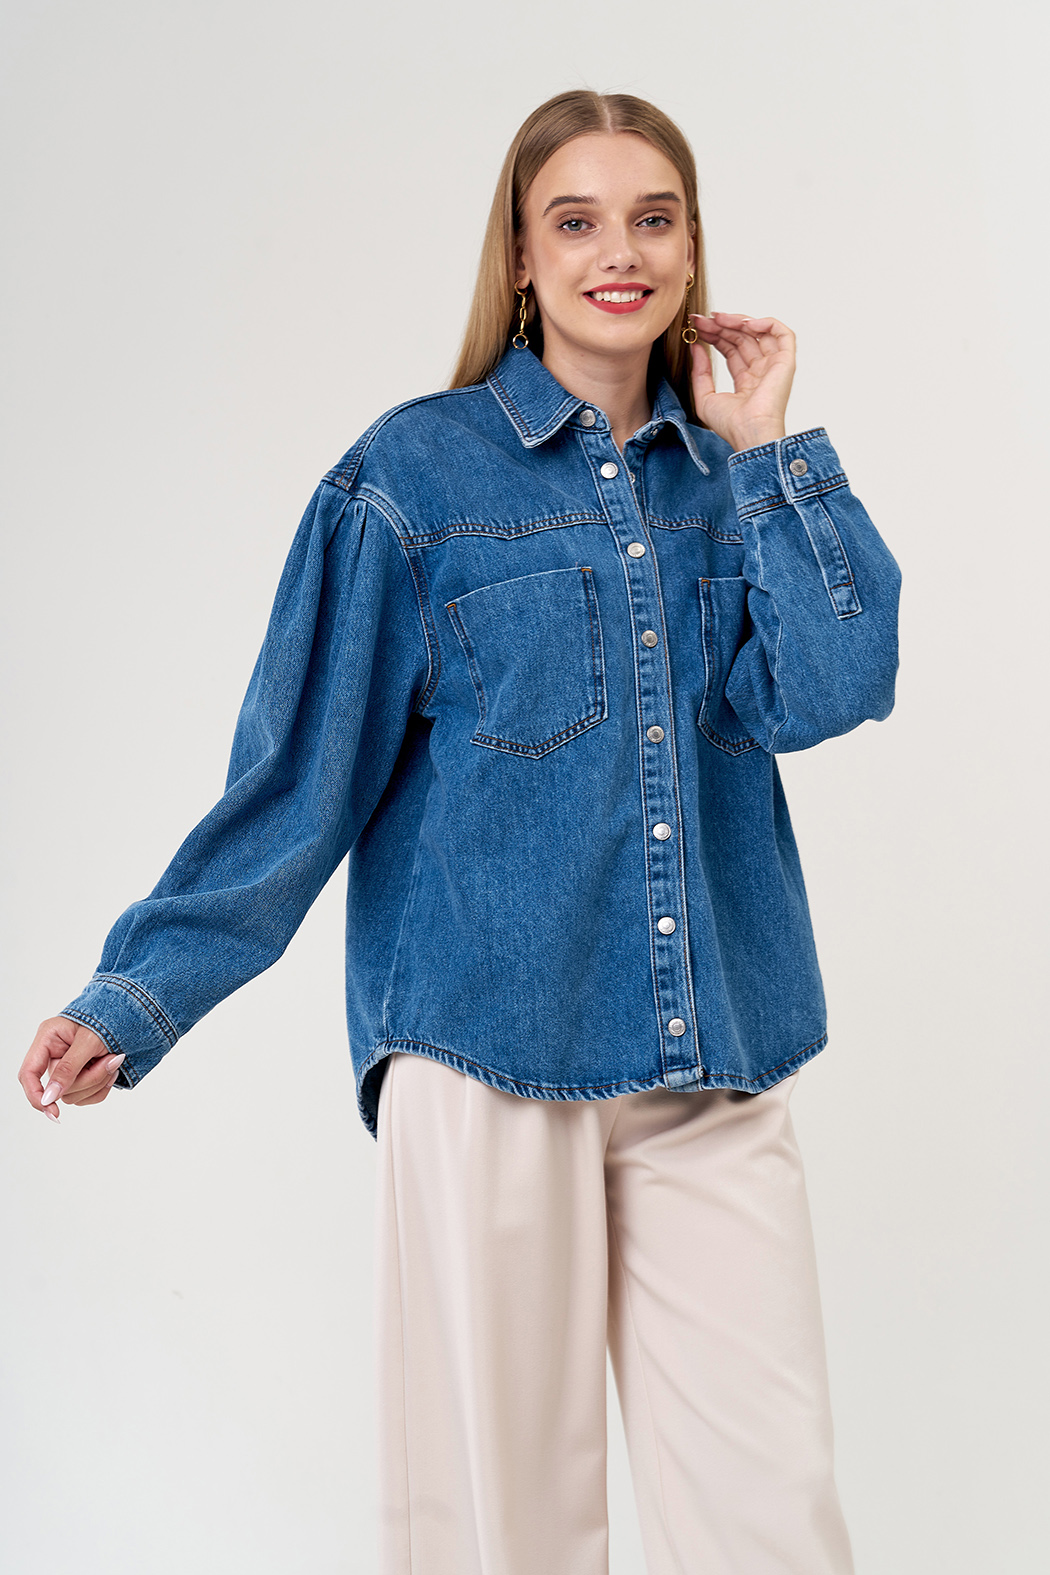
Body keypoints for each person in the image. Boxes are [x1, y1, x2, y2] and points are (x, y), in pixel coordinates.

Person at [18, 89, 900, 1575]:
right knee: (504, 1533)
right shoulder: (411, 480)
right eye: (576, 221)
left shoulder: (729, 481)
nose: (618, 252)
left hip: (714, 1053)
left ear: (691, 248)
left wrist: (768, 451)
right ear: (519, 257)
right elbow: (298, 777)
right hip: (490, 1051)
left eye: (653, 219)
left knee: (773, 1521)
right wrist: (140, 995)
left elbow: (836, 687)